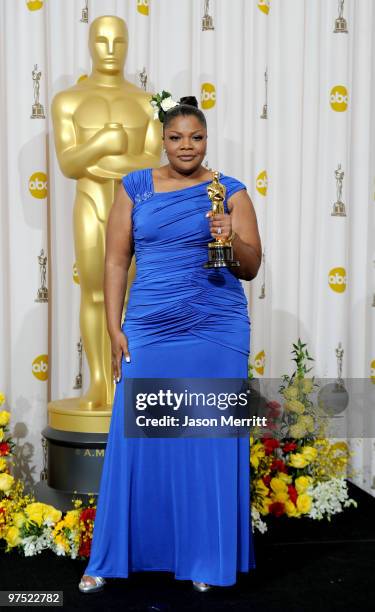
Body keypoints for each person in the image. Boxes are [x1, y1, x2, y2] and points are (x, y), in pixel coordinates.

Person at [79, 96, 262, 594]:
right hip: (151, 325)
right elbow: (116, 261)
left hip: (217, 327)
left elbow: (250, 266)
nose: (187, 146)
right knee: (139, 438)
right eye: (177, 137)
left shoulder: (231, 192)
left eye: (196, 137)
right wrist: (115, 328)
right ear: (163, 139)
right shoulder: (135, 187)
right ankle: (114, 557)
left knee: (207, 439)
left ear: (207, 140)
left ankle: (205, 557)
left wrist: (232, 237)